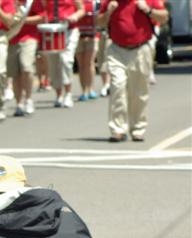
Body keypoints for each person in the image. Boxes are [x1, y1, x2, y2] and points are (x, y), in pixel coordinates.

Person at [96, 0, 167, 142]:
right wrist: (108, 12)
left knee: (139, 92)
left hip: (141, 49)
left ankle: (138, 128)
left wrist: (148, 10)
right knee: (117, 87)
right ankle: (118, 129)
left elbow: (164, 17)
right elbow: (99, 22)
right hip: (116, 49)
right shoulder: (110, 1)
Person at [42, 0, 84, 108]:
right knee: (53, 62)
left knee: (66, 60)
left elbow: (81, 9)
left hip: (69, 30)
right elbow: (42, 9)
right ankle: (59, 94)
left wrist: (74, 16)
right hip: (52, 30)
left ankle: (68, 93)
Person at [7, 0, 43, 117]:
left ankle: (28, 99)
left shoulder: (32, 2)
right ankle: (19, 103)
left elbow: (42, 17)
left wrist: (23, 20)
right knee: (15, 73)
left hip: (29, 37)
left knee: (26, 67)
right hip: (11, 38)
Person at [74, 0, 98, 101]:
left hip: (92, 35)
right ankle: (83, 90)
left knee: (89, 62)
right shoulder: (76, 1)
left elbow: (98, 18)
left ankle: (90, 88)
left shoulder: (95, 2)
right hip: (78, 35)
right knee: (81, 64)